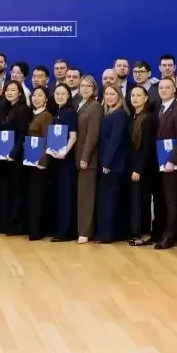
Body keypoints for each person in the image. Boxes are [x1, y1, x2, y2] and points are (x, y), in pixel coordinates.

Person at [153, 77, 177, 249]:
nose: (163, 90)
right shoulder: (159, 109)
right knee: (161, 199)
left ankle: (171, 236)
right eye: (161, 87)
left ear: (174, 90)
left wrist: (172, 161)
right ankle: (161, 232)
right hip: (158, 161)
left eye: (167, 87)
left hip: (171, 164)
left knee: (171, 200)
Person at [0, 80, 31, 236]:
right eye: (7, 90)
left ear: (20, 93)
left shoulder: (23, 109)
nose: (9, 92)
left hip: (16, 156)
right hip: (2, 155)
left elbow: (23, 134)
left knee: (17, 190)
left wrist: (13, 153)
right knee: (5, 190)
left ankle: (15, 225)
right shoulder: (2, 107)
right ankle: (4, 223)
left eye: (13, 90)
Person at [92, 85, 127, 243]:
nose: (109, 97)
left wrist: (106, 162)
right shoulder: (108, 112)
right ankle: (106, 232)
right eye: (106, 94)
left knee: (108, 200)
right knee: (106, 199)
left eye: (112, 94)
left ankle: (106, 234)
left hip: (113, 164)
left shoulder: (119, 113)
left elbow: (115, 139)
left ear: (119, 96)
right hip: (106, 161)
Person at [124, 85, 155, 246]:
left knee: (143, 200)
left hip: (143, 167)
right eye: (133, 96)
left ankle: (145, 233)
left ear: (146, 98)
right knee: (134, 201)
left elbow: (147, 146)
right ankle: (135, 231)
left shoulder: (148, 118)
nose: (135, 98)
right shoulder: (132, 117)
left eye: (138, 95)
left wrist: (138, 169)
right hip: (131, 165)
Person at [48, 83, 79, 242]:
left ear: (68, 96)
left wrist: (64, 152)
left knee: (66, 194)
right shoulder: (57, 111)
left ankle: (66, 231)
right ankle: (58, 228)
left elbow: (73, 136)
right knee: (59, 194)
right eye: (57, 94)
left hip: (66, 159)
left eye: (63, 94)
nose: (60, 96)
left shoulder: (70, 112)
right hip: (56, 158)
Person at [74, 77, 103, 244]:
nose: (85, 88)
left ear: (94, 88)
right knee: (80, 196)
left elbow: (93, 135)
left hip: (88, 159)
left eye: (88, 86)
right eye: (82, 86)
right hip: (76, 156)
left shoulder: (95, 106)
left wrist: (85, 157)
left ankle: (85, 231)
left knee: (86, 197)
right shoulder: (79, 104)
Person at [25, 86, 54, 240]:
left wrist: (43, 161)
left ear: (46, 99)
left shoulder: (46, 116)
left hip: (39, 163)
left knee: (37, 197)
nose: (36, 98)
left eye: (40, 95)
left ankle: (37, 231)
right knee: (31, 197)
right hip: (30, 160)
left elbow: (48, 140)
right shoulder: (32, 114)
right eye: (34, 95)